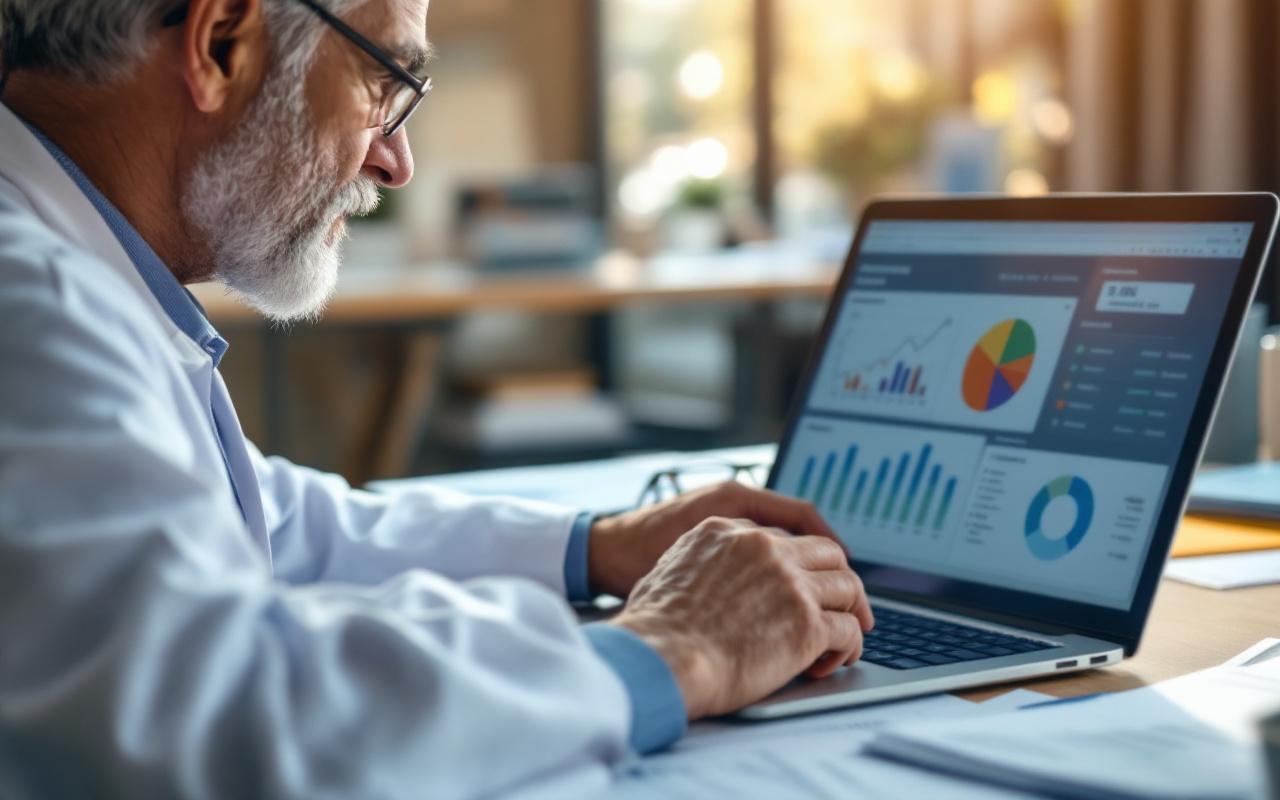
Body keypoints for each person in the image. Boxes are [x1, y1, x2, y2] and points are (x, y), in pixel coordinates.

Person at [0, 0, 874, 797]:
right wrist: (674, 649)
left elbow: (269, 526)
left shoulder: (72, 275)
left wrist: (596, 549)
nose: (397, 159)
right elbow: (226, 729)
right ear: (220, 41)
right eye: (384, 79)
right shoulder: (30, 308)